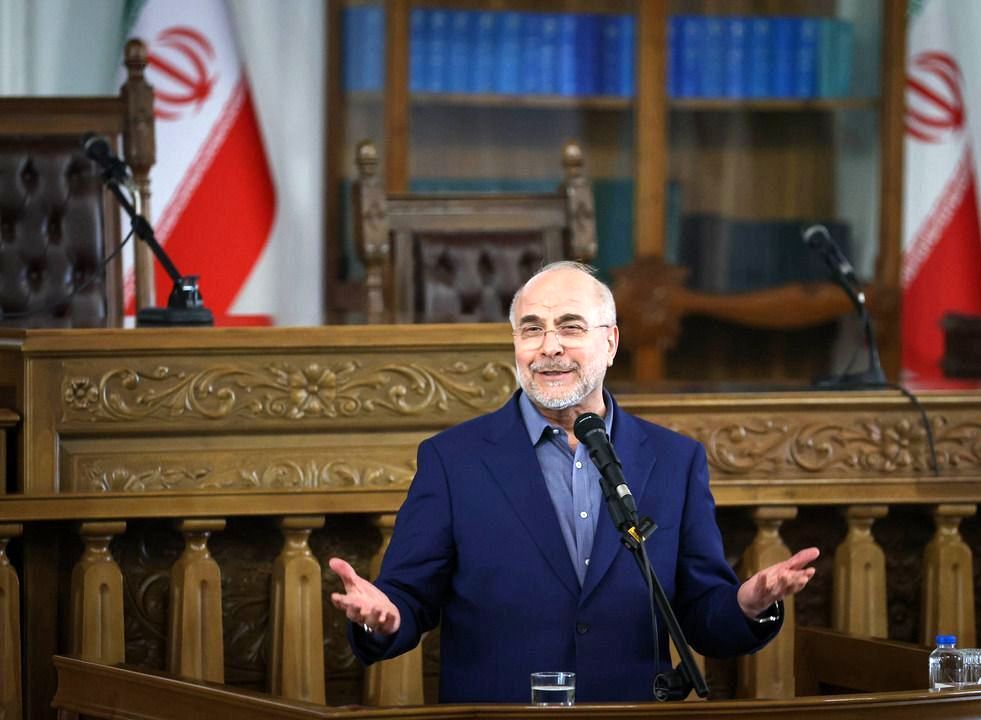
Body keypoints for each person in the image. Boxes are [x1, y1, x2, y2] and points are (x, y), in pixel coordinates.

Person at [330, 261, 818, 703]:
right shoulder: (453, 459)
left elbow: (703, 615)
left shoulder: (674, 461)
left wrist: (748, 604)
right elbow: (407, 598)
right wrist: (385, 618)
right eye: (532, 329)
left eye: (570, 327)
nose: (550, 347)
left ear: (611, 343)